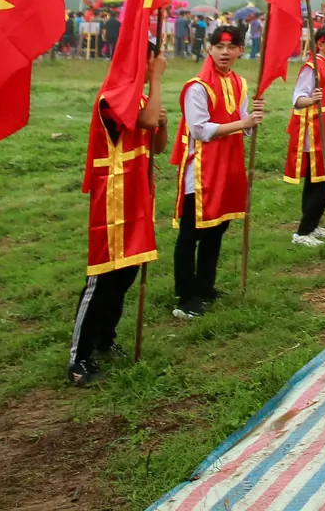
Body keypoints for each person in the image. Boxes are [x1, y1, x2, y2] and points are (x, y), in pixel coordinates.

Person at [70, 47, 167, 386]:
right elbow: (146, 121)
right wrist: (156, 81)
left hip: (137, 194)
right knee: (103, 277)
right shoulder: (111, 96)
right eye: (149, 59)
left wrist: (163, 122)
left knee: (126, 273)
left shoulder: (140, 97)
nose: (155, 63)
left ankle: (105, 339)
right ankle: (78, 358)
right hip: (113, 197)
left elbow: (156, 144)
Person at [168, 25, 263, 319]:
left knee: (218, 228)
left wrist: (252, 118)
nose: (225, 52)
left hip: (229, 165)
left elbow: (243, 122)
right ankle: (185, 295)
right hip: (202, 170)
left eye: (231, 47)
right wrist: (243, 124)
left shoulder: (239, 83)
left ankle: (205, 285)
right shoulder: (197, 87)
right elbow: (199, 129)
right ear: (209, 49)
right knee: (191, 232)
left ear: (240, 51)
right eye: (219, 47)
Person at [285, 25, 325, 246]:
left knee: (316, 181)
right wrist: (311, 100)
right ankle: (303, 232)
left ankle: (311, 226)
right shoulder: (311, 67)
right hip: (314, 132)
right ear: (320, 43)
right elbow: (297, 98)